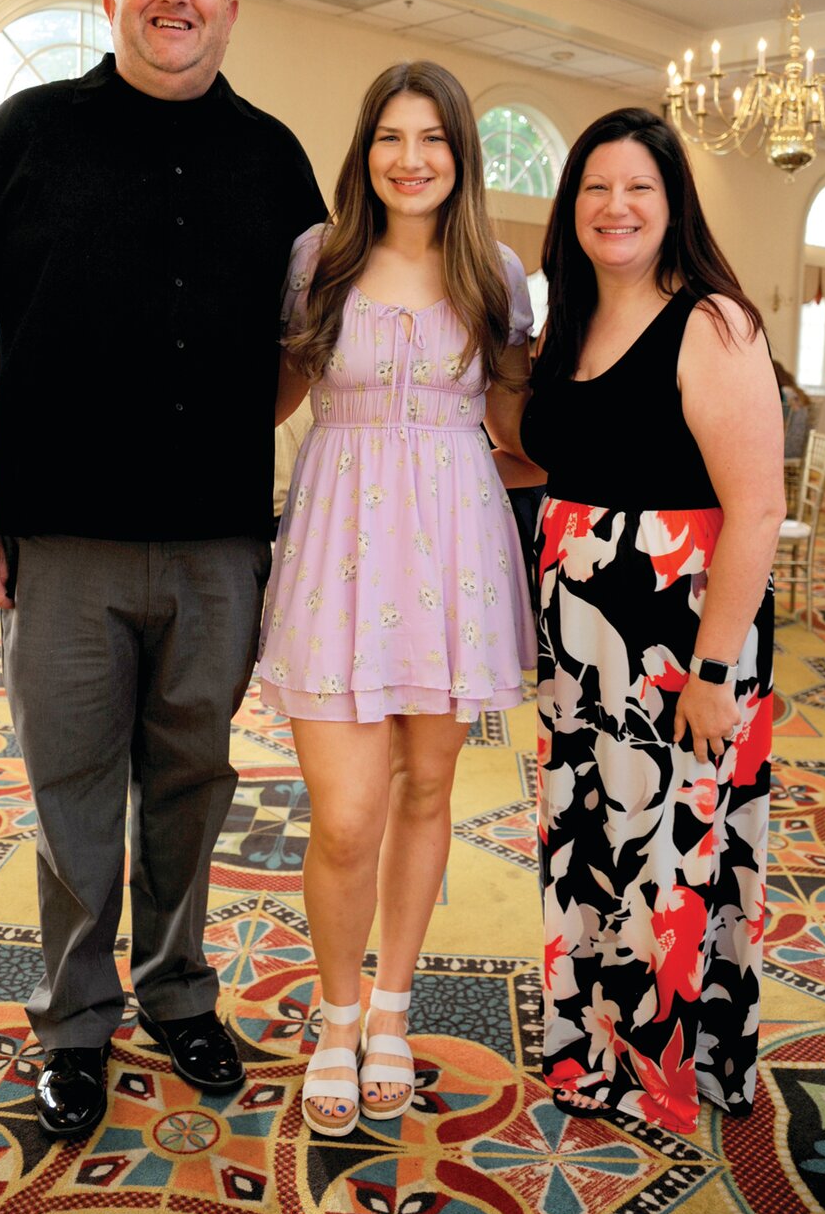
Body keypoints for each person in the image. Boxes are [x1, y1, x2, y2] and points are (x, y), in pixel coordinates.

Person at [0, 0, 324, 1139]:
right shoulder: (26, 134)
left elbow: (300, 348)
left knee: (192, 778)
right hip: (63, 546)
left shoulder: (275, 159)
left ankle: (180, 989)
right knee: (72, 786)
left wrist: (244, 425)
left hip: (217, 547)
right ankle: (75, 1021)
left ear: (230, 11)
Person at [256, 61, 536, 1136]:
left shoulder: (494, 271)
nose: (409, 157)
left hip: (452, 551)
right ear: (364, 149)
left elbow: (513, 422)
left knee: (427, 789)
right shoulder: (313, 260)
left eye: (431, 138)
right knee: (346, 814)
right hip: (338, 549)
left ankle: (388, 1008)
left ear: (458, 156)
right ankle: (331, 1015)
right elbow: (271, 394)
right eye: (389, 136)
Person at [520, 107, 784, 1133]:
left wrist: (714, 670)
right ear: (570, 207)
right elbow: (552, 458)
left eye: (636, 186)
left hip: (677, 638)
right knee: (590, 839)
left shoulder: (712, 320)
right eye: (593, 188)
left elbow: (754, 506)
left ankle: (665, 1064)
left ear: (670, 202)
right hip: (579, 642)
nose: (613, 205)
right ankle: (591, 1043)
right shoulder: (567, 318)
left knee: (669, 855)